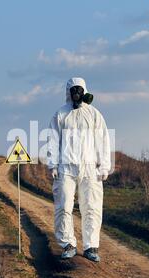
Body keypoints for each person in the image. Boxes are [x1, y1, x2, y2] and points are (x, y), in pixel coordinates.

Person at [47, 77, 111, 262]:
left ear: (84, 90)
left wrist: (104, 165)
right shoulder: (60, 115)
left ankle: (91, 247)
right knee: (64, 207)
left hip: (90, 167)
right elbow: (52, 140)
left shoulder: (94, 114)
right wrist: (53, 164)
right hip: (65, 168)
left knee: (92, 207)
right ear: (68, 92)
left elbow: (103, 140)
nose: (77, 93)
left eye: (79, 90)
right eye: (74, 90)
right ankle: (68, 244)